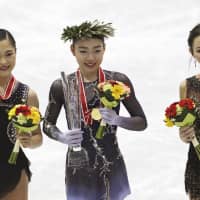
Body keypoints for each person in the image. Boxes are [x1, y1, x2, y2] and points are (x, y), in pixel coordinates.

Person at [43, 20, 147, 200]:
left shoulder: (117, 81)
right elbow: (47, 123)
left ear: (104, 49)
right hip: (78, 165)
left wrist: (118, 120)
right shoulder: (62, 86)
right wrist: (61, 136)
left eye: (97, 50)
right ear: (72, 50)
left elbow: (141, 121)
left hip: (111, 162)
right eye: (83, 51)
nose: (91, 57)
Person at [0, 29, 43, 200]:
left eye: (8, 54)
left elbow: (37, 137)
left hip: (14, 172)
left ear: (16, 53)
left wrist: (29, 141)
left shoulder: (27, 95)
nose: (3, 61)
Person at [179, 24, 200, 200]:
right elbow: (185, 128)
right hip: (197, 163)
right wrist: (184, 134)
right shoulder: (187, 86)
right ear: (192, 52)